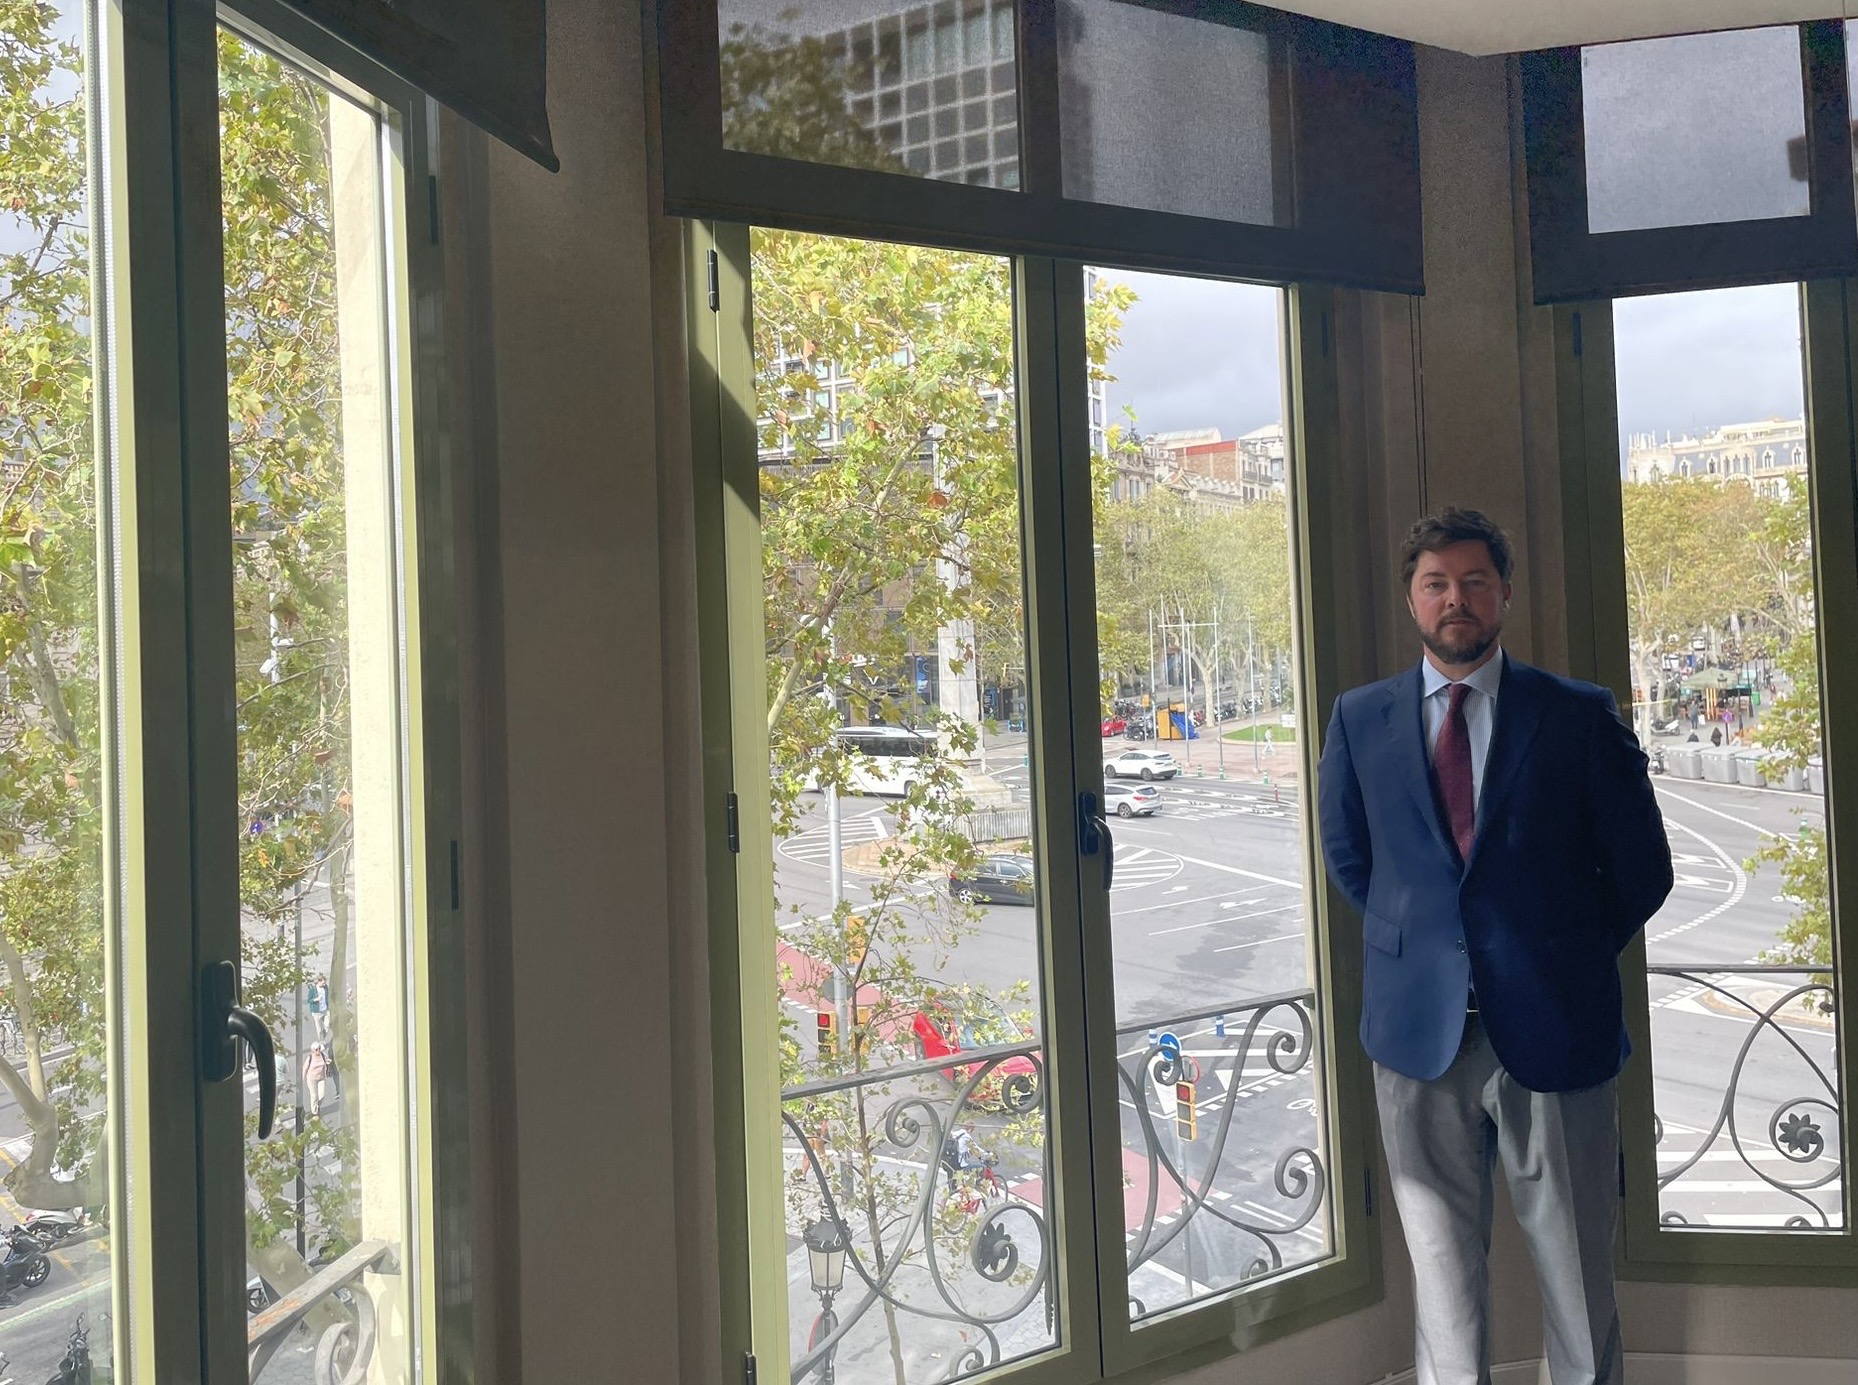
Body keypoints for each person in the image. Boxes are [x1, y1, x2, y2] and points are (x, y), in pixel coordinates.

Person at [1317, 508, 1673, 1385]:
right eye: (1436, 583)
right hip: (1416, 1039)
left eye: (1475, 581)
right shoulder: (1359, 719)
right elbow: (1352, 860)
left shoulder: (1577, 715)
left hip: (1555, 1028)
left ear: (1505, 592)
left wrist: (1559, 953)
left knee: (1579, 1276)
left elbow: (1642, 869)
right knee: (1442, 1286)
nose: (1457, 599)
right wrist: (1436, 947)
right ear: (1412, 599)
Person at [302, 1042, 330, 1117]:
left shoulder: (323, 1055)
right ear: (313, 1050)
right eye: (316, 1049)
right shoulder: (310, 1058)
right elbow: (305, 1068)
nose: (318, 1050)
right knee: (314, 1096)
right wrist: (303, 1078)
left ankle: (317, 1106)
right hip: (311, 1079)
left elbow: (326, 1060)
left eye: (319, 1048)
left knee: (322, 1095)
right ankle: (314, 1112)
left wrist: (328, 1062)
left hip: (321, 1078)